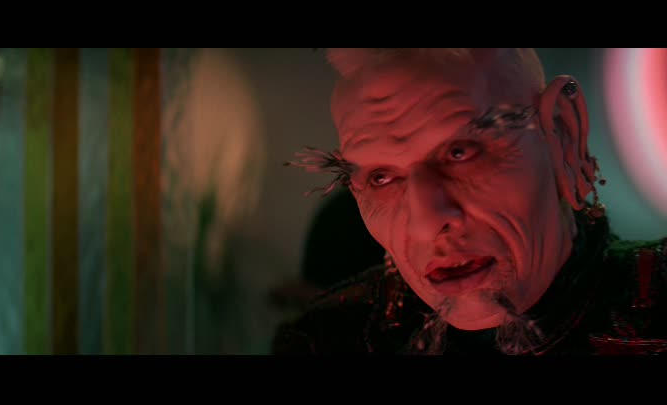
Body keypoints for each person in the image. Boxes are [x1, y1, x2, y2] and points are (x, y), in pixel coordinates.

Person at [274, 48, 667, 355]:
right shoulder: (328, 342)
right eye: (381, 177)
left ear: (563, 131)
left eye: (460, 153)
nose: (427, 223)